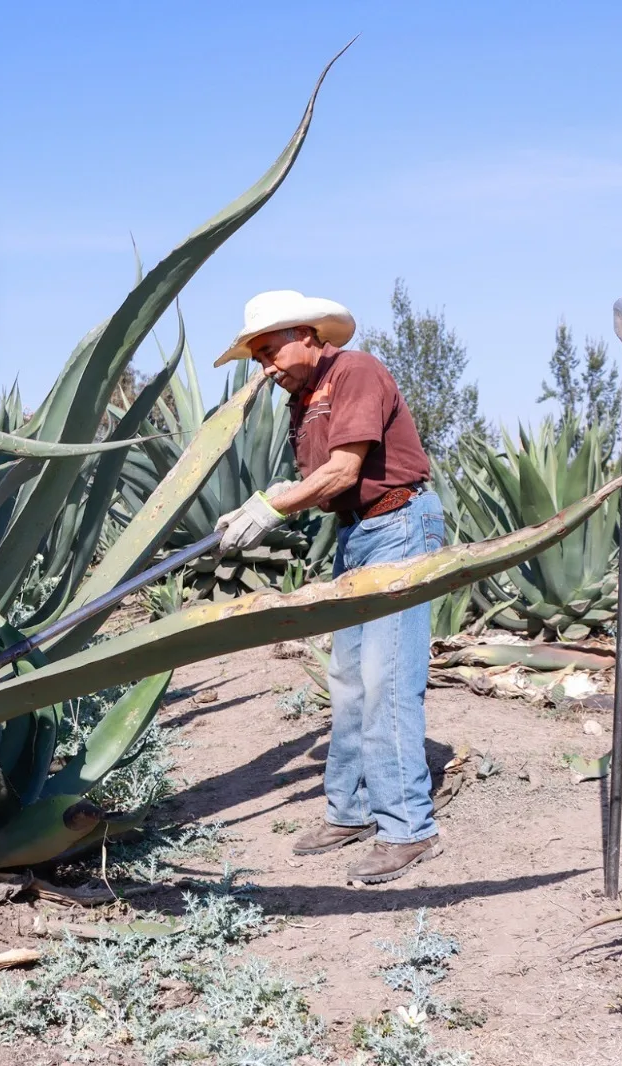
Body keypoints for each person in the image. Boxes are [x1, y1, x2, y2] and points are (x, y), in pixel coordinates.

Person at [213, 289, 446, 885]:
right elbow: (322, 484)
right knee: (346, 679)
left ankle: (408, 828)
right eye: (258, 356)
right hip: (356, 536)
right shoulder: (303, 400)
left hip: (399, 527)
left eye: (270, 351)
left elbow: (343, 470)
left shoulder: (356, 371)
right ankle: (351, 811)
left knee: (386, 679)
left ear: (308, 335)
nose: (265, 366)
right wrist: (259, 510)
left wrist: (265, 508)